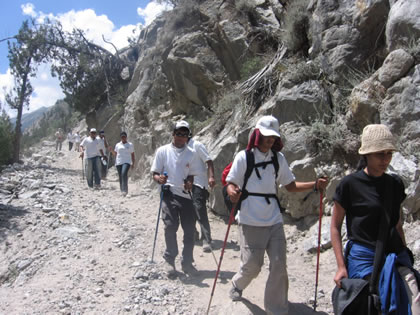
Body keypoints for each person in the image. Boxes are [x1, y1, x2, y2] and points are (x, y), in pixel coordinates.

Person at [225, 115, 328, 315]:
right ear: (257, 135)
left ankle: (276, 309)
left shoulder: (277, 159)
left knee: (279, 264)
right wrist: (231, 191)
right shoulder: (244, 157)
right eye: (266, 136)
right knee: (253, 266)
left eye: (273, 137)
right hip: (250, 219)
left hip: (273, 218)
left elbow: (289, 185)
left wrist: (314, 185)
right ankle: (237, 285)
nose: (270, 140)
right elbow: (231, 182)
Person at [331, 124, 419, 314]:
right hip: (362, 257)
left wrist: (405, 255)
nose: (385, 159)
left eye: (389, 153)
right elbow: (336, 227)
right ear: (367, 155)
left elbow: (397, 224)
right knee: (370, 304)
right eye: (380, 154)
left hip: (393, 254)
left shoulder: (395, 184)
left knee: (412, 294)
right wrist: (340, 266)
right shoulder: (349, 185)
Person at [151, 120, 200, 277]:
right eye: (178, 133)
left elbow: (192, 175)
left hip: (186, 196)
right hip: (169, 193)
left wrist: (190, 183)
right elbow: (155, 173)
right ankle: (170, 259)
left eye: (185, 134)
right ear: (173, 134)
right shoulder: (162, 151)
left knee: (190, 230)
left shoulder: (192, 154)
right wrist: (159, 179)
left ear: (188, 137)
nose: (181, 137)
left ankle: (187, 262)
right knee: (170, 226)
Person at [188, 137, 216, 252]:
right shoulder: (179, 148)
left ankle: (206, 239)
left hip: (199, 183)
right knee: (188, 210)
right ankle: (193, 233)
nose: (182, 135)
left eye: (184, 131)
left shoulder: (197, 145)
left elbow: (208, 161)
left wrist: (211, 176)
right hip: (185, 184)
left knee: (200, 210)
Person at [112, 132, 135, 196]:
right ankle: (122, 190)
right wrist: (111, 151)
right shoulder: (117, 145)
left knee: (124, 173)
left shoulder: (130, 144)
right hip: (119, 162)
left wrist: (133, 163)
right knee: (120, 176)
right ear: (120, 137)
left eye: (124, 137)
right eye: (122, 137)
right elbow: (115, 154)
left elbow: (132, 154)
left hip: (127, 162)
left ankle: (125, 190)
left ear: (126, 137)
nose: (123, 138)